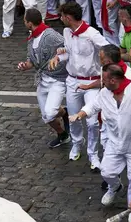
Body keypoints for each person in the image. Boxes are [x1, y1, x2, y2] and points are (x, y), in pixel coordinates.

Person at [49, 1, 109, 170]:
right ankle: (76, 144)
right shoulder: (67, 32)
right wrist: (58, 57)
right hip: (73, 81)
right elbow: (69, 52)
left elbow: (108, 50)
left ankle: (93, 154)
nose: (60, 19)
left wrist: (104, 71)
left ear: (68, 17)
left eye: (61, 16)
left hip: (92, 81)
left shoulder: (92, 34)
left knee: (92, 122)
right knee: (73, 117)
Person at [70, 64, 131, 222]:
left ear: (113, 80)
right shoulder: (105, 93)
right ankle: (115, 186)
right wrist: (81, 114)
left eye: (103, 79)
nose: (101, 82)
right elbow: (93, 106)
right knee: (106, 172)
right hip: (114, 143)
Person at [18, 8, 70, 148]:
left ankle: (64, 113)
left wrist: (60, 54)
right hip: (43, 80)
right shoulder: (32, 38)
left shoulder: (50, 35)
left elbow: (68, 46)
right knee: (47, 117)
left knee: (50, 112)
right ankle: (62, 135)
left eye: (24, 20)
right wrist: (25, 65)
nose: (24, 22)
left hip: (57, 79)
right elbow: (32, 61)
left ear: (29, 23)